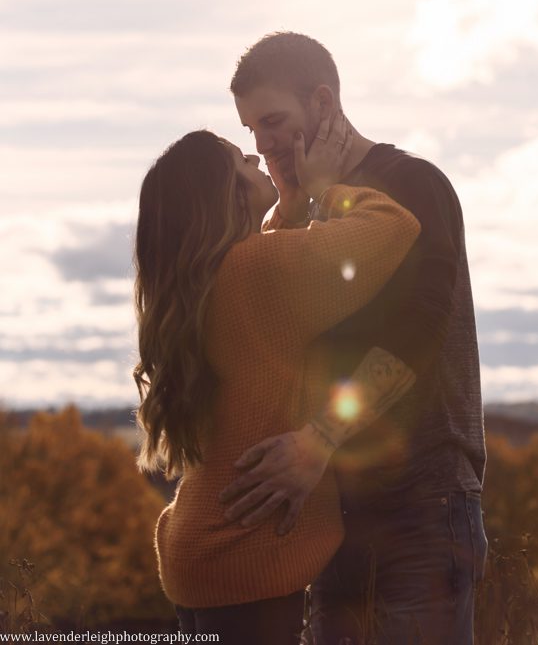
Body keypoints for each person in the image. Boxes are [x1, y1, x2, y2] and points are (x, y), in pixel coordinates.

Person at [221, 31, 488, 645]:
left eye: (273, 121)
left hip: (423, 504)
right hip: (330, 514)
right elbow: (269, 326)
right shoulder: (299, 207)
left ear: (322, 103)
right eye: (250, 131)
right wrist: (293, 207)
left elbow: (415, 334)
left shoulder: (413, 185)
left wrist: (319, 440)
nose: (261, 145)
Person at [132, 123, 420, 644]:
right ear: (224, 195)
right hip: (244, 556)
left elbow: (273, 298)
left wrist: (287, 211)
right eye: (239, 160)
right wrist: (324, 188)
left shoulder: (210, 281)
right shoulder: (254, 271)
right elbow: (393, 225)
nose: (254, 154)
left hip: (201, 548)